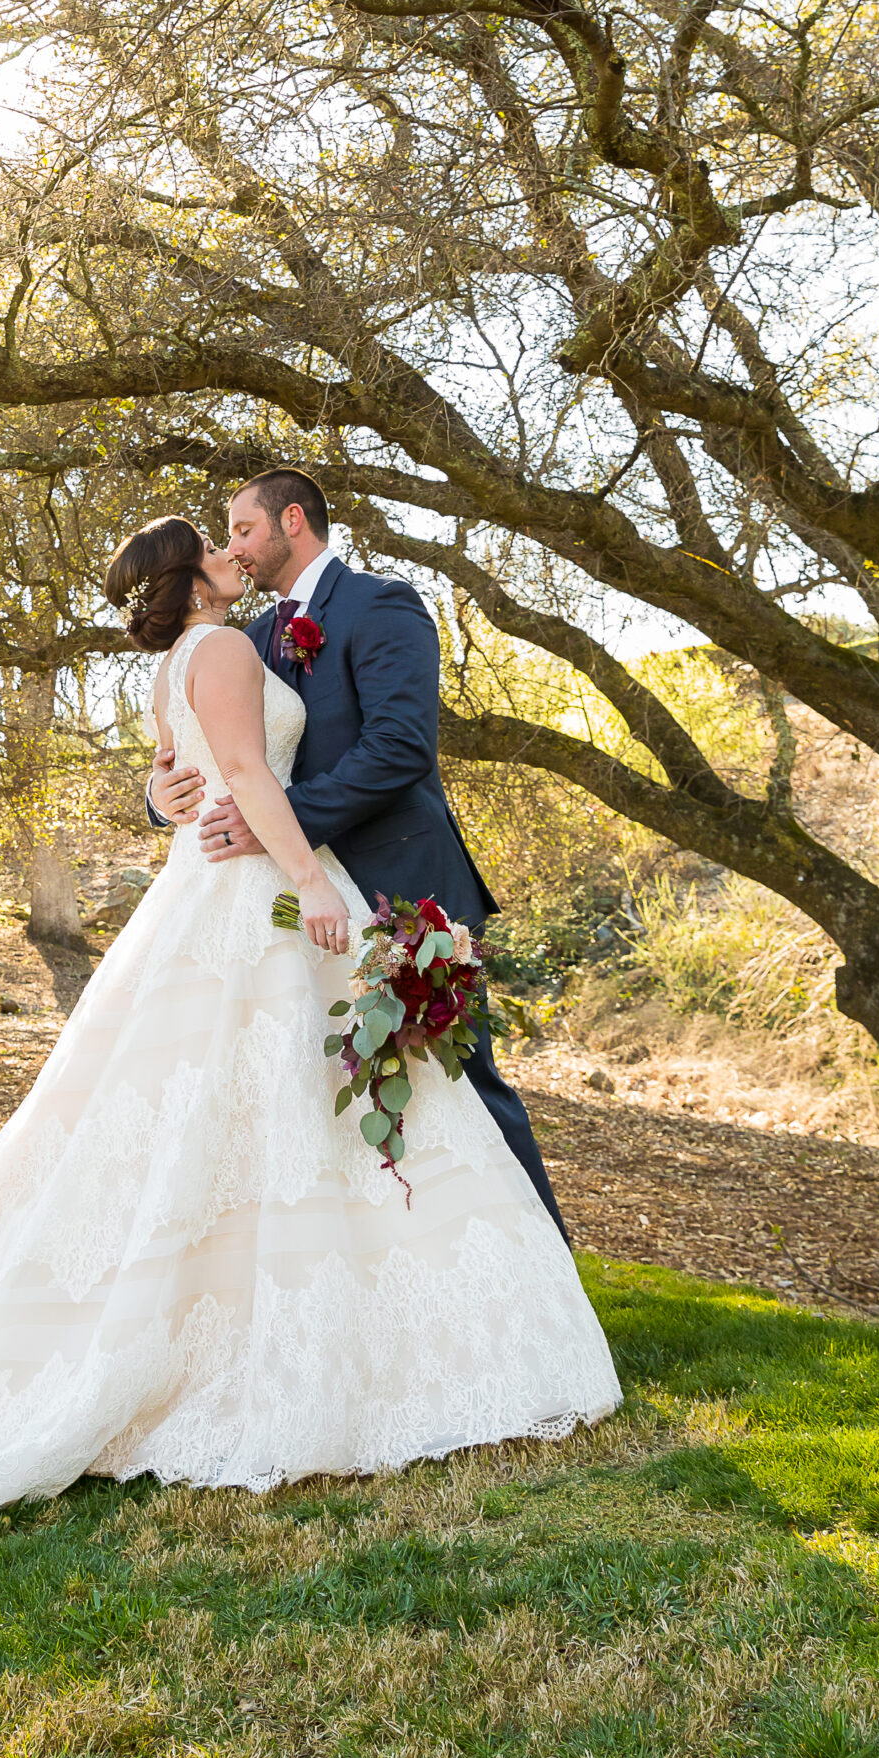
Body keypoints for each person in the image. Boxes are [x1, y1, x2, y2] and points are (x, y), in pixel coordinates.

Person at [0, 512, 619, 1507]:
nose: (235, 551)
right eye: (217, 540)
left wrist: (179, 794)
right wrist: (308, 883)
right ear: (189, 576)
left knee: (265, 1101)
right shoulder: (229, 643)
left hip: (234, 880)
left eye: (244, 530)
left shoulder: (197, 655)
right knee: (290, 1098)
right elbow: (231, 773)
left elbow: (210, 764)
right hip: (258, 887)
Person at [148, 468, 569, 1235]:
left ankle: (547, 1273)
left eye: (242, 530)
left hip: (405, 886)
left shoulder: (382, 604)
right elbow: (232, 754)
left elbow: (398, 748)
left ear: (292, 522)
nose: (235, 550)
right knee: (337, 1100)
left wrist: (274, 822)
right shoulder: (246, 639)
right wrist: (162, 795)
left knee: (460, 1085)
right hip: (300, 908)